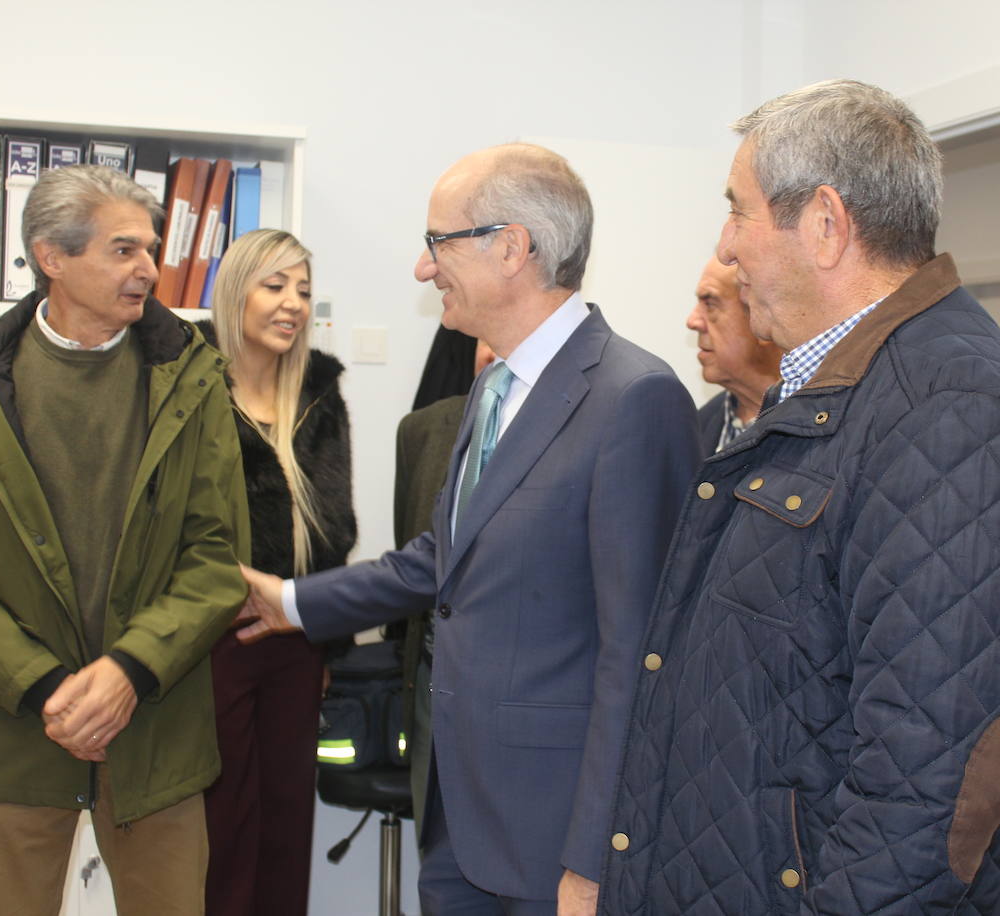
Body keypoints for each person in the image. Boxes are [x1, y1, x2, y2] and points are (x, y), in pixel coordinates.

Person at [599, 80, 1000, 914]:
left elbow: (927, 780)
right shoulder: (826, 388)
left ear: (823, 224)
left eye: (737, 211)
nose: (726, 245)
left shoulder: (950, 408)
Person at [235, 142, 700, 914]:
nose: (425, 269)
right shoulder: (493, 386)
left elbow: (644, 653)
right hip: (458, 809)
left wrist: (595, 857)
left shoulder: (634, 398)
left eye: (437, 243)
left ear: (511, 247)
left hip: (555, 839)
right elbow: (441, 562)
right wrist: (291, 603)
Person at [0, 164, 249, 916]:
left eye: (150, 248)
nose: (150, 267)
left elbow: (216, 562)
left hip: (156, 731)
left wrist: (126, 673)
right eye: (124, 250)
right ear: (52, 256)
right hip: (18, 730)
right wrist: (47, 688)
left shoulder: (193, 376)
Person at [197, 229, 356, 916]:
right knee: (220, 828)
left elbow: (336, 533)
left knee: (288, 825)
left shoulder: (320, 395)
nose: (292, 304)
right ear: (236, 293)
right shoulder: (189, 389)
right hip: (211, 642)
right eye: (275, 286)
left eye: (303, 291)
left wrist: (325, 640)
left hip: (294, 643)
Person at [394, 333, 495, 848]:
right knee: (440, 867)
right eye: (485, 337)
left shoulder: (603, 418)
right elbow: (411, 559)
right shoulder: (422, 433)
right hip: (434, 691)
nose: (495, 348)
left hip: (521, 715)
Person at [687, 254, 782, 454]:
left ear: (764, 316)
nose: (692, 321)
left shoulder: (826, 426)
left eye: (710, 304)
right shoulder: (695, 430)